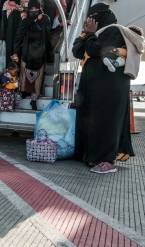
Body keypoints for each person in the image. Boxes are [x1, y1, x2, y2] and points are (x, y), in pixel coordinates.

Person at [72, 3, 138, 173]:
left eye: (93, 16)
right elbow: (77, 51)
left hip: (109, 88)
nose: (90, 19)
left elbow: (96, 50)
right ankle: (89, 156)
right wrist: (86, 33)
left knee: (106, 122)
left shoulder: (114, 31)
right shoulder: (96, 32)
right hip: (93, 87)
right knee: (89, 121)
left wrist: (91, 34)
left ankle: (106, 160)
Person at [12, 0, 51, 111]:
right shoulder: (25, 20)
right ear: (29, 9)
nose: (34, 11)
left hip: (40, 54)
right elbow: (18, 36)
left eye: (36, 9)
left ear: (39, 9)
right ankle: (21, 95)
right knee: (24, 78)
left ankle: (34, 100)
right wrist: (15, 51)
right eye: (31, 9)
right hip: (27, 53)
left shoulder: (45, 18)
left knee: (38, 79)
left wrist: (38, 22)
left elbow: (49, 34)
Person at [0, 0, 24, 66]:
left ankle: (13, 69)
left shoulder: (7, 4)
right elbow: (4, 20)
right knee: (14, 50)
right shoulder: (20, 4)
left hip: (15, 32)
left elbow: (4, 21)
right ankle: (13, 69)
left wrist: (3, 36)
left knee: (15, 50)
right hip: (12, 32)